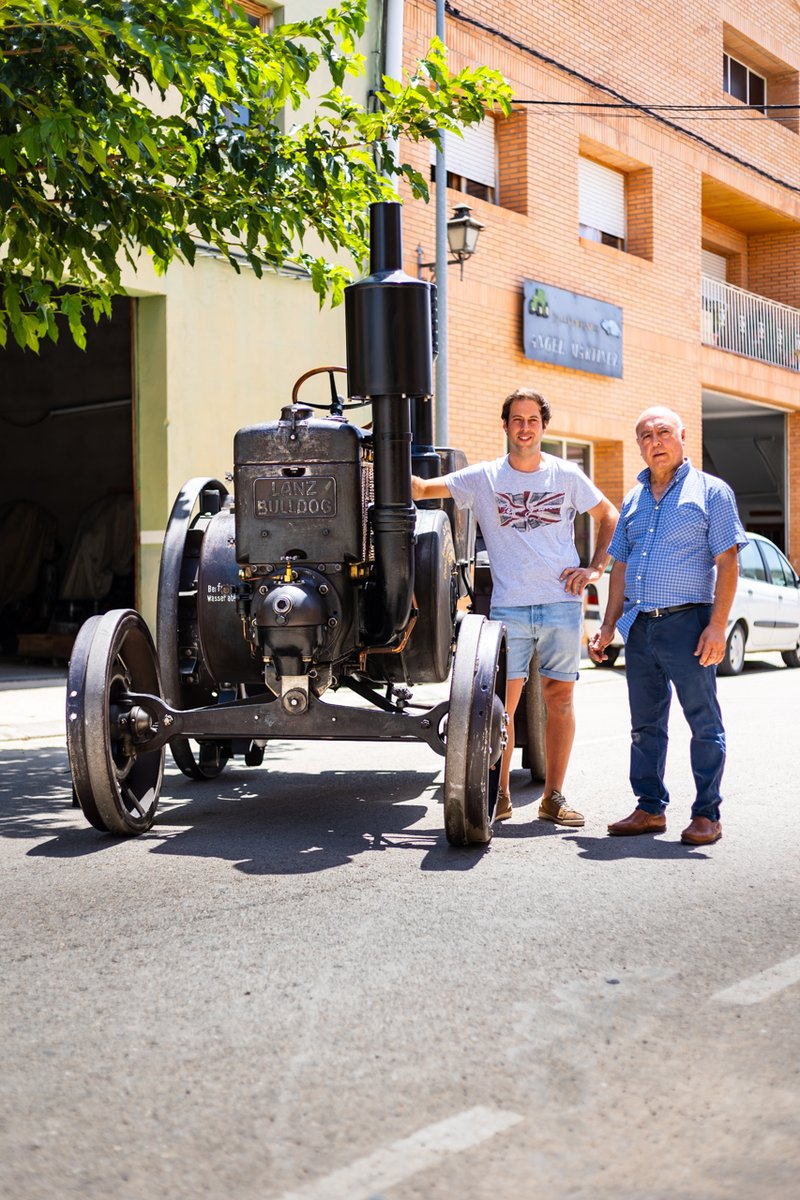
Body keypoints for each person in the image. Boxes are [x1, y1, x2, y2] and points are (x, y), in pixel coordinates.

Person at [411, 388, 618, 826]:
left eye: (533, 420)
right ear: (504, 425)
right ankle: (499, 794)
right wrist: (382, 453)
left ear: (544, 427)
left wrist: (595, 569)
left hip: (561, 604)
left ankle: (553, 797)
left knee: (560, 697)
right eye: (517, 419)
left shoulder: (566, 475)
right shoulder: (483, 478)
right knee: (500, 705)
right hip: (509, 608)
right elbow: (423, 488)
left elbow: (609, 516)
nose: (525, 427)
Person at [588, 406, 747, 846]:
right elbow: (619, 566)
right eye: (644, 436)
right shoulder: (634, 499)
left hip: (688, 623)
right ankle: (649, 808)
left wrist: (718, 626)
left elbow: (728, 560)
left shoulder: (710, 492)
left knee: (703, 722)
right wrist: (608, 626)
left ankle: (706, 814)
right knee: (645, 725)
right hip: (640, 627)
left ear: (682, 436)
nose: (654, 441)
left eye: (662, 432)